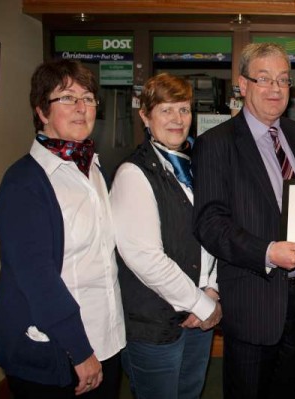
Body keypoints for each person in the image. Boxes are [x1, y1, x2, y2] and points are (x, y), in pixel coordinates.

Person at [191, 42, 295, 399]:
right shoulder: (215, 143)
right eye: (264, 79)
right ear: (243, 84)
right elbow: (209, 222)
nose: (276, 89)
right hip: (252, 300)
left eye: (283, 79)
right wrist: (267, 252)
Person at [0, 59, 125, 398]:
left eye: (89, 97)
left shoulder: (94, 168)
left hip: (106, 339)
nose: (82, 108)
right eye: (67, 97)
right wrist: (79, 350)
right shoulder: (24, 182)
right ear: (41, 110)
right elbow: (37, 277)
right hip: (57, 349)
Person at [110, 73, 222, 399]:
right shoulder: (134, 173)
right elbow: (145, 257)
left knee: (189, 392)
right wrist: (202, 303)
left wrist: (213, 288)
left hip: (200, 312)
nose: (177, 119)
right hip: (155, 324)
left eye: (184, 110)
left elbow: (211, 233)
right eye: (166, 110)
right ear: (145, 115)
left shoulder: (194, 166)